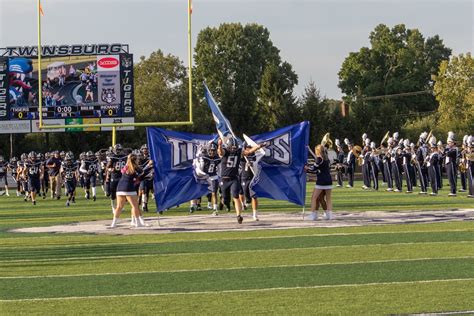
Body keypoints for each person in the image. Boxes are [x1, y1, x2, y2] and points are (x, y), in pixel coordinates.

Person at [217, 137, 262, 224]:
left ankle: (239, 216)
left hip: (234, 178)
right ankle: (224, 202)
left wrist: (258, 146)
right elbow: (220, 152)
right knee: (226, 200)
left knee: (236, 197)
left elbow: (249, 152)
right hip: (224, 179)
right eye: (232, 147)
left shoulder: (239, 151)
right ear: (228, 146)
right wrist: (219, 145)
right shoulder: (225, 151)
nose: (234, 149)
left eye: (235, 147)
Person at [110, 153, 153, 228]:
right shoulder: (135, 168)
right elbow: (142, 172)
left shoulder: (126, 166)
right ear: (135, 160)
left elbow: (126, 170)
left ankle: (113, 223)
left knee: (119, 207)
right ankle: (137, 223)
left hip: (120, 187)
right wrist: (149, 165)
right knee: (135, 206)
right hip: (128, 187)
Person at [306, 144, 333, 220]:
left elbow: (313, 169)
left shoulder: (319, 159)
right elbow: (320, 168)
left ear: (317, 151)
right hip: (329, 180)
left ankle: (313, 215)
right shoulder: (326, 159)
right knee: (328, 199)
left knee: (314, 198)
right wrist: (310, 150)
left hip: (321, 181)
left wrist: (306, 168)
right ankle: (329, 215)